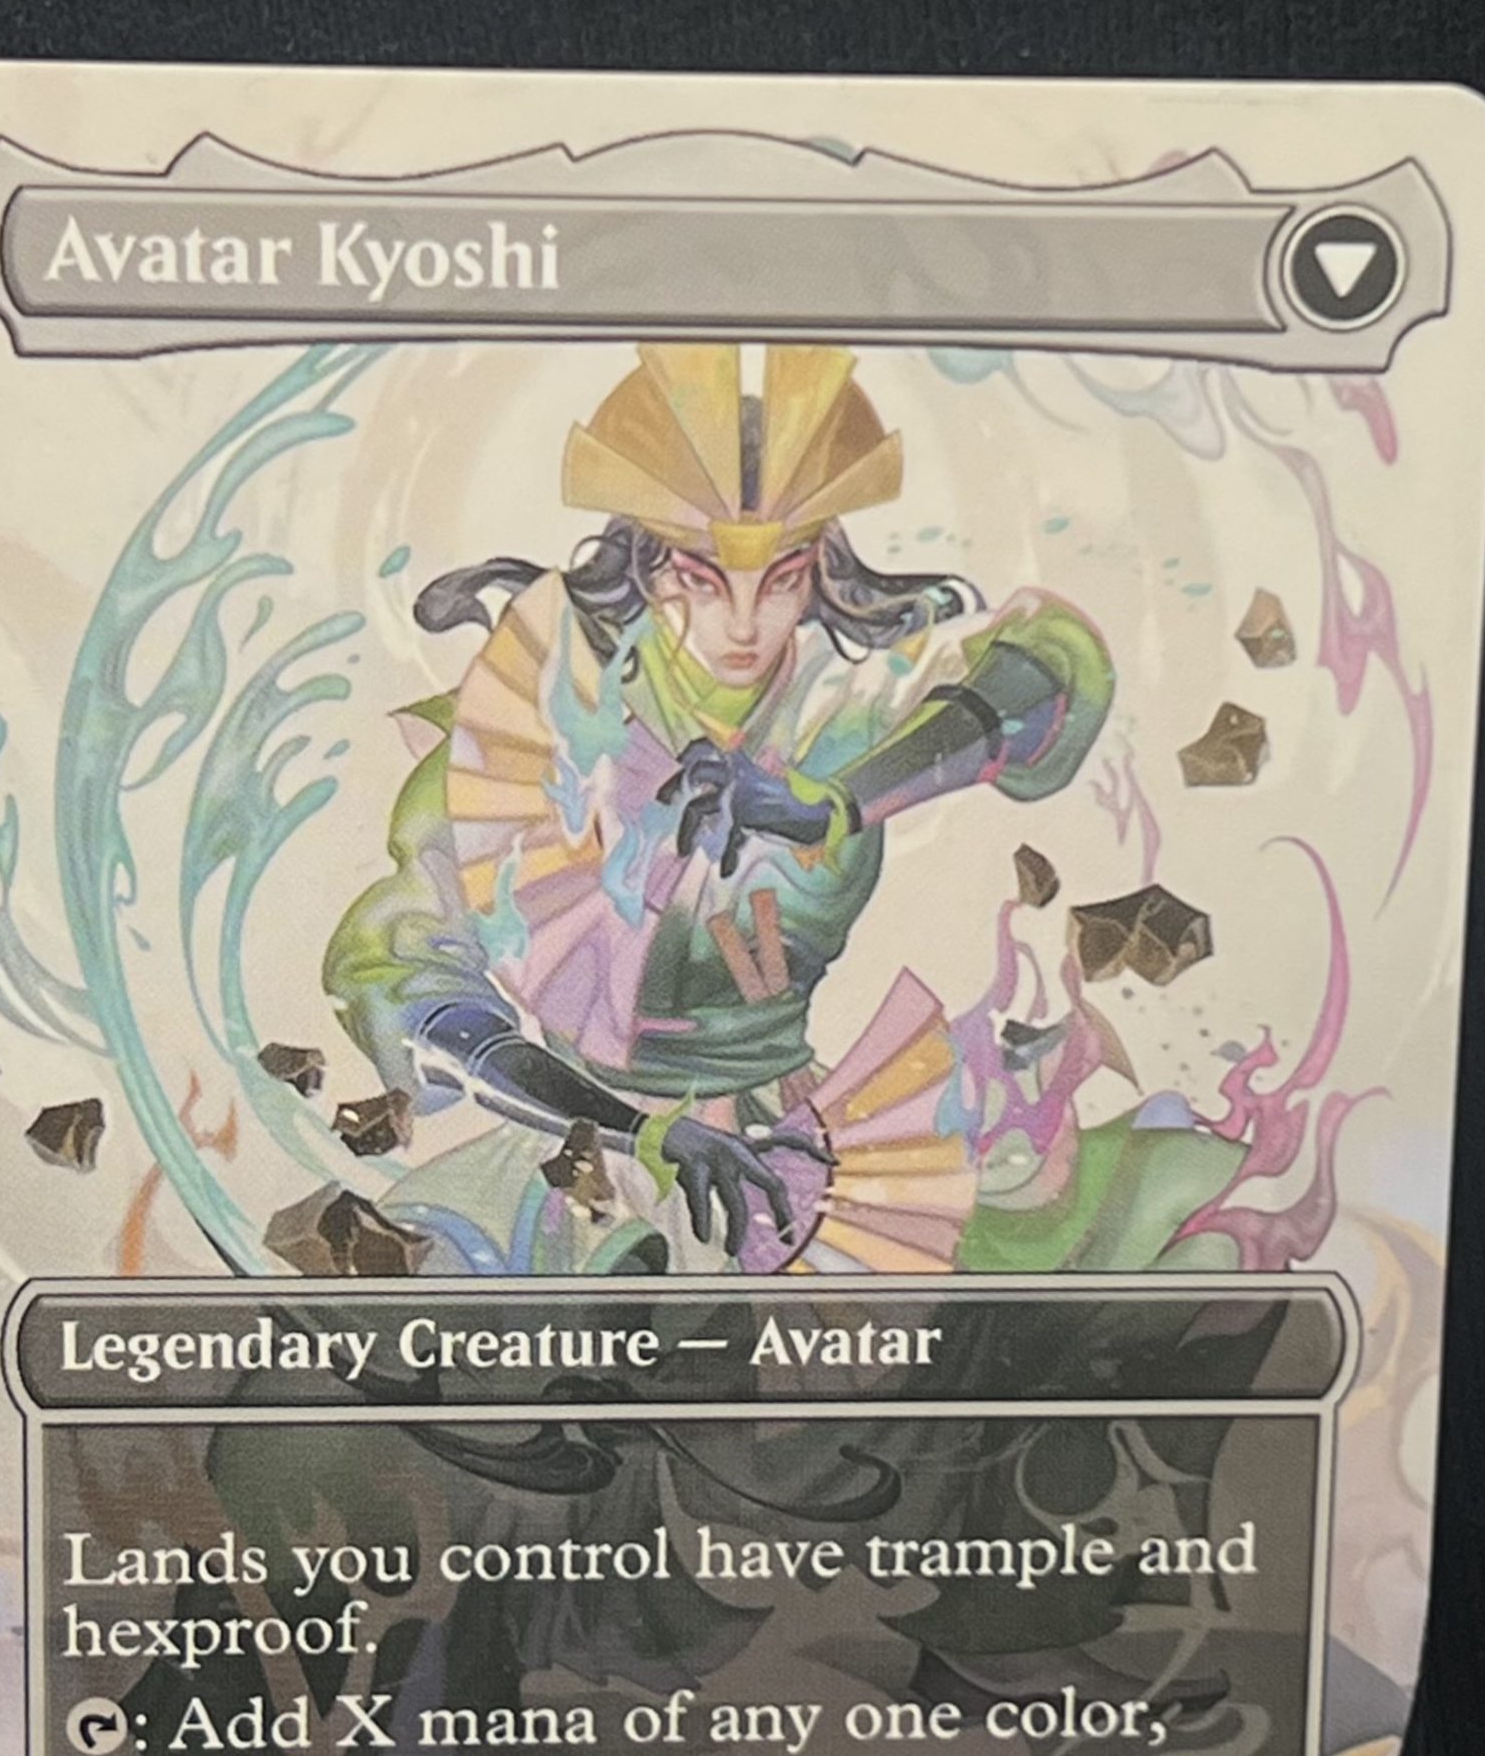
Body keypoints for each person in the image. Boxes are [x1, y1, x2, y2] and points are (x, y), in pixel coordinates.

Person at [323, 342, 1114, 1273]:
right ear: (651, 567)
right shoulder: (534, 720)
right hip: (583, 1142)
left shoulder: (842, 711)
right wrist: (639, 1132)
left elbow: (1053, 664)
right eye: (703, 578)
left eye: (781, 578)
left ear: (819, 571)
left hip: (799, 1138)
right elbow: (400, 980)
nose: (744, 624)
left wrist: (831, 805)